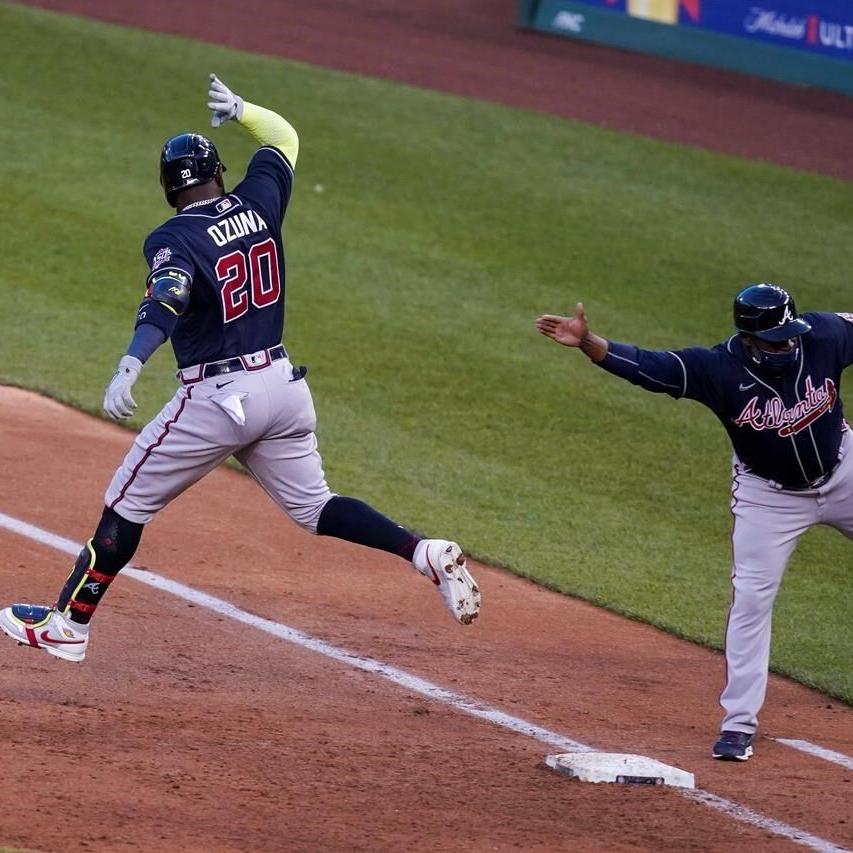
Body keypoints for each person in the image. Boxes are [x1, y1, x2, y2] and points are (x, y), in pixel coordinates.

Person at [0, 75, 480, 662]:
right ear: (218, 173)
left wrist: (131, 362)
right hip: (283, 388)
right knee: (315, 507)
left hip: (218, 401)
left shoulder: (172, 236)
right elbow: (285, 137)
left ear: (167, 189)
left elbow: (167, 299)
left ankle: (69, 626)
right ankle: (421, 552)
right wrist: (245, 109)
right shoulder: (259, 199)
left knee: (125, 502)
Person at [536, 284, 853, 761]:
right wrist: (589, 343)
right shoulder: (718, 369)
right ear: (748, 338)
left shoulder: (824, 334)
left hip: (844, 471)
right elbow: (651, 367)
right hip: (769, 498)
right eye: (775, 339)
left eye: (789, 336)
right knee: (750, 600)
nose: (786, 346)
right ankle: (738, 725)